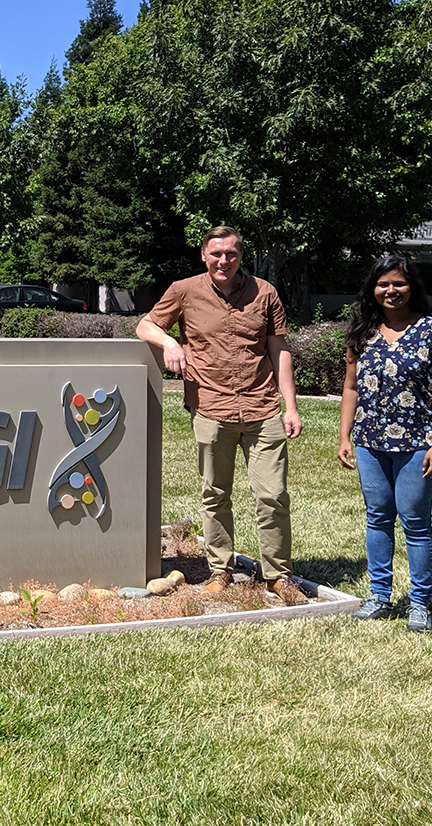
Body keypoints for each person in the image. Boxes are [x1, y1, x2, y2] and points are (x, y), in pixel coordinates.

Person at [136, 226, 308, 605]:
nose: (224, 261)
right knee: (216, 494)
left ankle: (277, 575)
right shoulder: (184, 290)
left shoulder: (265, 293)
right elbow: (145, 324)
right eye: (216, 254)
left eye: (231, 253)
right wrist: (170, 341)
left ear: (240, 255)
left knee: (273, 495)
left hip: (263, 407)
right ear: (204, 255)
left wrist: (290, 405)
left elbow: (279, 350)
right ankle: (221, 569)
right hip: (211, 406)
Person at [338, 254, 432, 633]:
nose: (391, 291)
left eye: (399, 284)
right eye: (383, 284)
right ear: (373, 289)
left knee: (416, 521)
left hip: (418, 442)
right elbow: (351, 387)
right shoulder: (361, 332)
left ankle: (419, 602)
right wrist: (345, 435)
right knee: (378, 518)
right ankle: (379, 596)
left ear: (412, 288)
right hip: (369, 442)